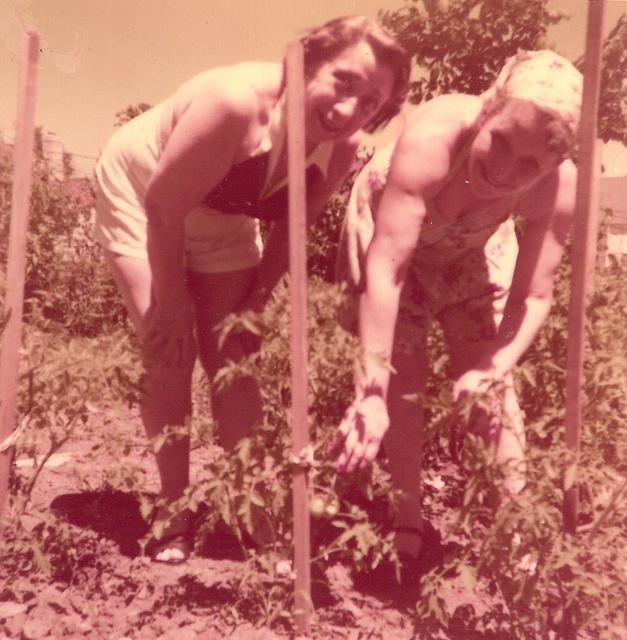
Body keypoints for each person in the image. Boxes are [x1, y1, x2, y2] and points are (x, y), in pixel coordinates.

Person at [93, 16, 410, 563]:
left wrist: (257, 301)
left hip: (221, 217)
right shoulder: (235, 105)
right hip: (145, 196)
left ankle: (253, 508)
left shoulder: (340, 146)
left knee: (237, 356)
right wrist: (170, 302)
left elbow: (293, 226)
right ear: (306, 60)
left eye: (371, 102)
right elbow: (163, 210)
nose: (348, 109)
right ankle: (174, 509)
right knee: (171, 348)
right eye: (343, 81)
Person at [333, 50, 582, 564]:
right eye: (502, 141)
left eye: (530, 164)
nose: (505, 168)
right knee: (401, 377)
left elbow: (534, 295)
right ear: (488, 111)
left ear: (554, 164)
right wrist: (371, 389)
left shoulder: (557, 189)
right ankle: (408, 516)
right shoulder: (438, 134)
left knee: (495, 388)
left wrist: (493, 367)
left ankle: (519, 543)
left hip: (468, 243)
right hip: (391, 233)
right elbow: (389, 268)